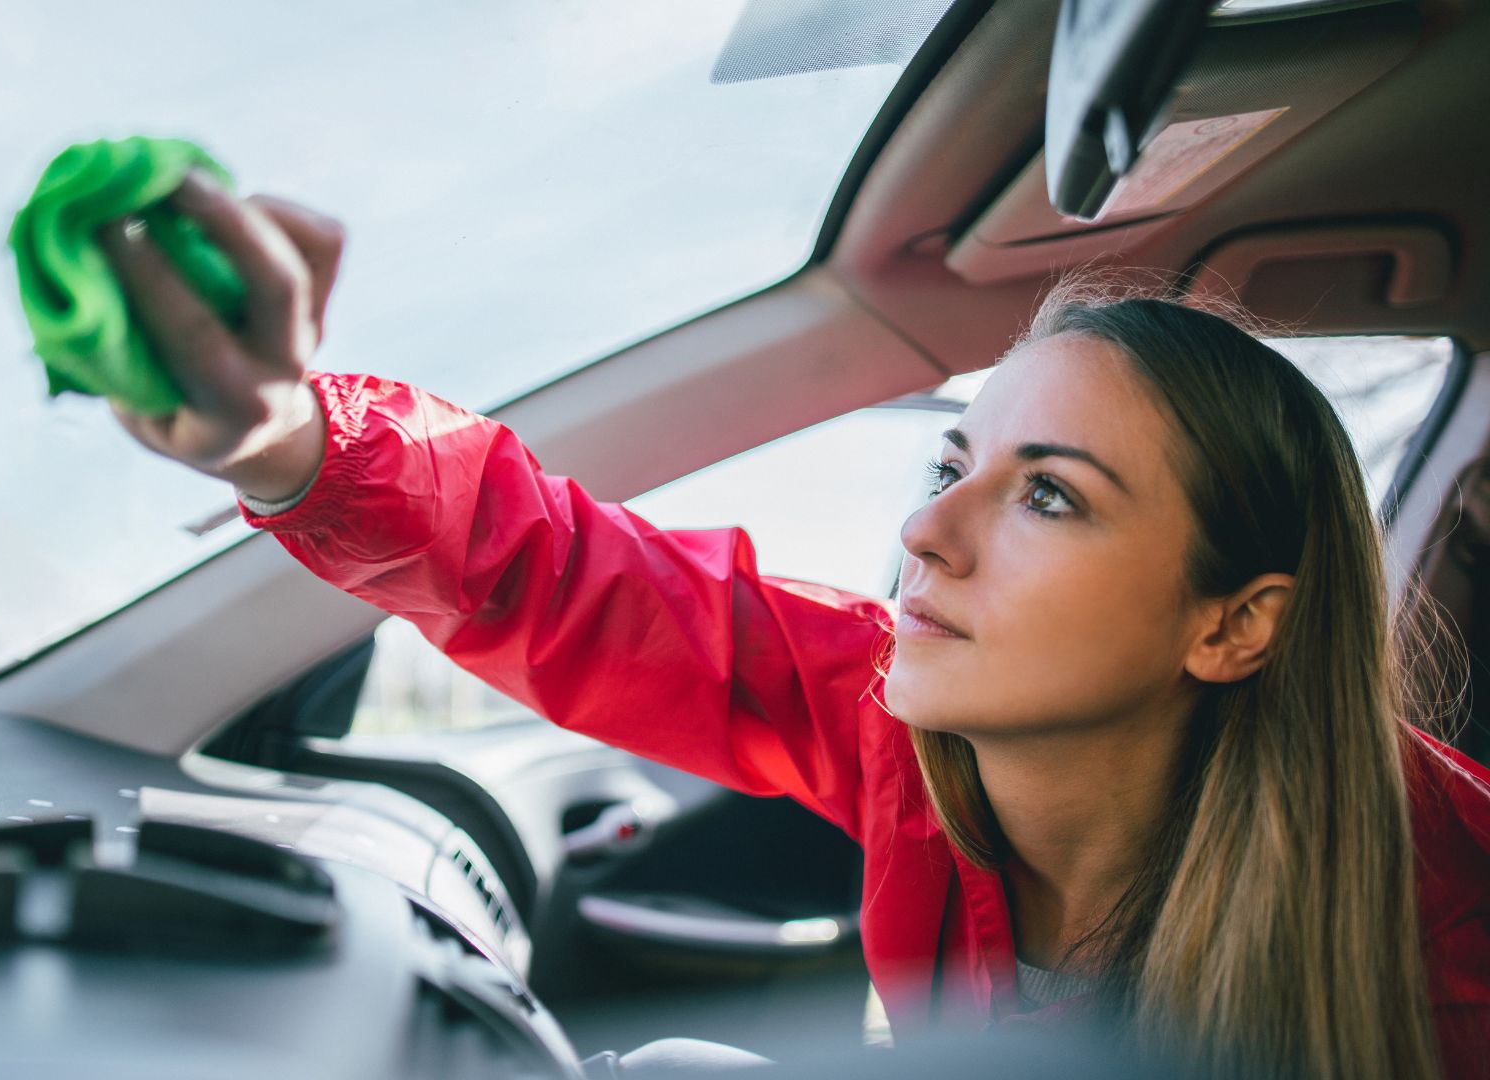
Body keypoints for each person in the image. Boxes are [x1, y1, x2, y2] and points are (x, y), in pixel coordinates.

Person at [97, 174, 1490, 1079]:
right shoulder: (895, 724)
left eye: (1050, 497)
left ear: (1235, 626)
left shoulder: (1451, 899)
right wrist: (283, 436)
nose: (926, 535)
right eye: (953, 470)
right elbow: (579, 580)